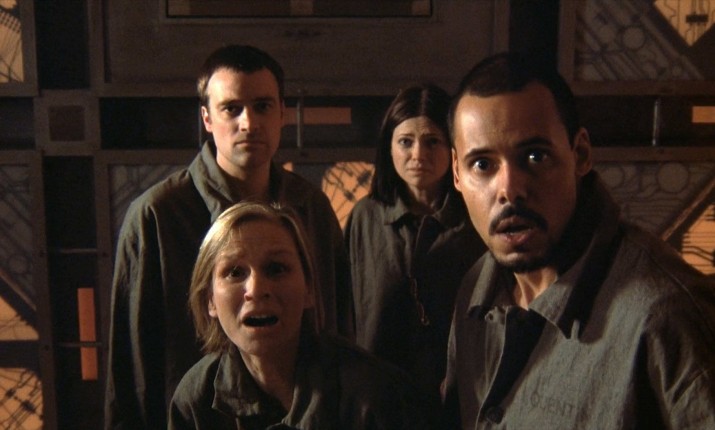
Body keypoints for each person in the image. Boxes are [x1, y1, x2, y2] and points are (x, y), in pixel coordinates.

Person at [443, 52, 715, 429]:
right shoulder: (475, 291)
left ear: (581, 154)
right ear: (457, 174)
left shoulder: (664, 313)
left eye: (535, 156)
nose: (509, 189)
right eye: (482, 165)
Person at [104, 45, 351, 430]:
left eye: (262, 106)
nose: (249, 123)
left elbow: (337, 326)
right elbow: (131, 363)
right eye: (231, 108)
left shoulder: (310, 207)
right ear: (207, 117)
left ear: (282, 113)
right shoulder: (157, 215)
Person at [168, 202, 430, 429]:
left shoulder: (376, 396)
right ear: (210, 299)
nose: (256, 289)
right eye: (235, 272)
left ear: (309, 289)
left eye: (276, 269)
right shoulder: (197, 397)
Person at [344, 84, 486, 409]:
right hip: (376, 396)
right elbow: (345, 308)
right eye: (406, 142)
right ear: (389, 147)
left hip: (461, 394)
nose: (418, 155)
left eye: (432, 141)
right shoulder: (366, 218)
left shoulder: (474, 218)